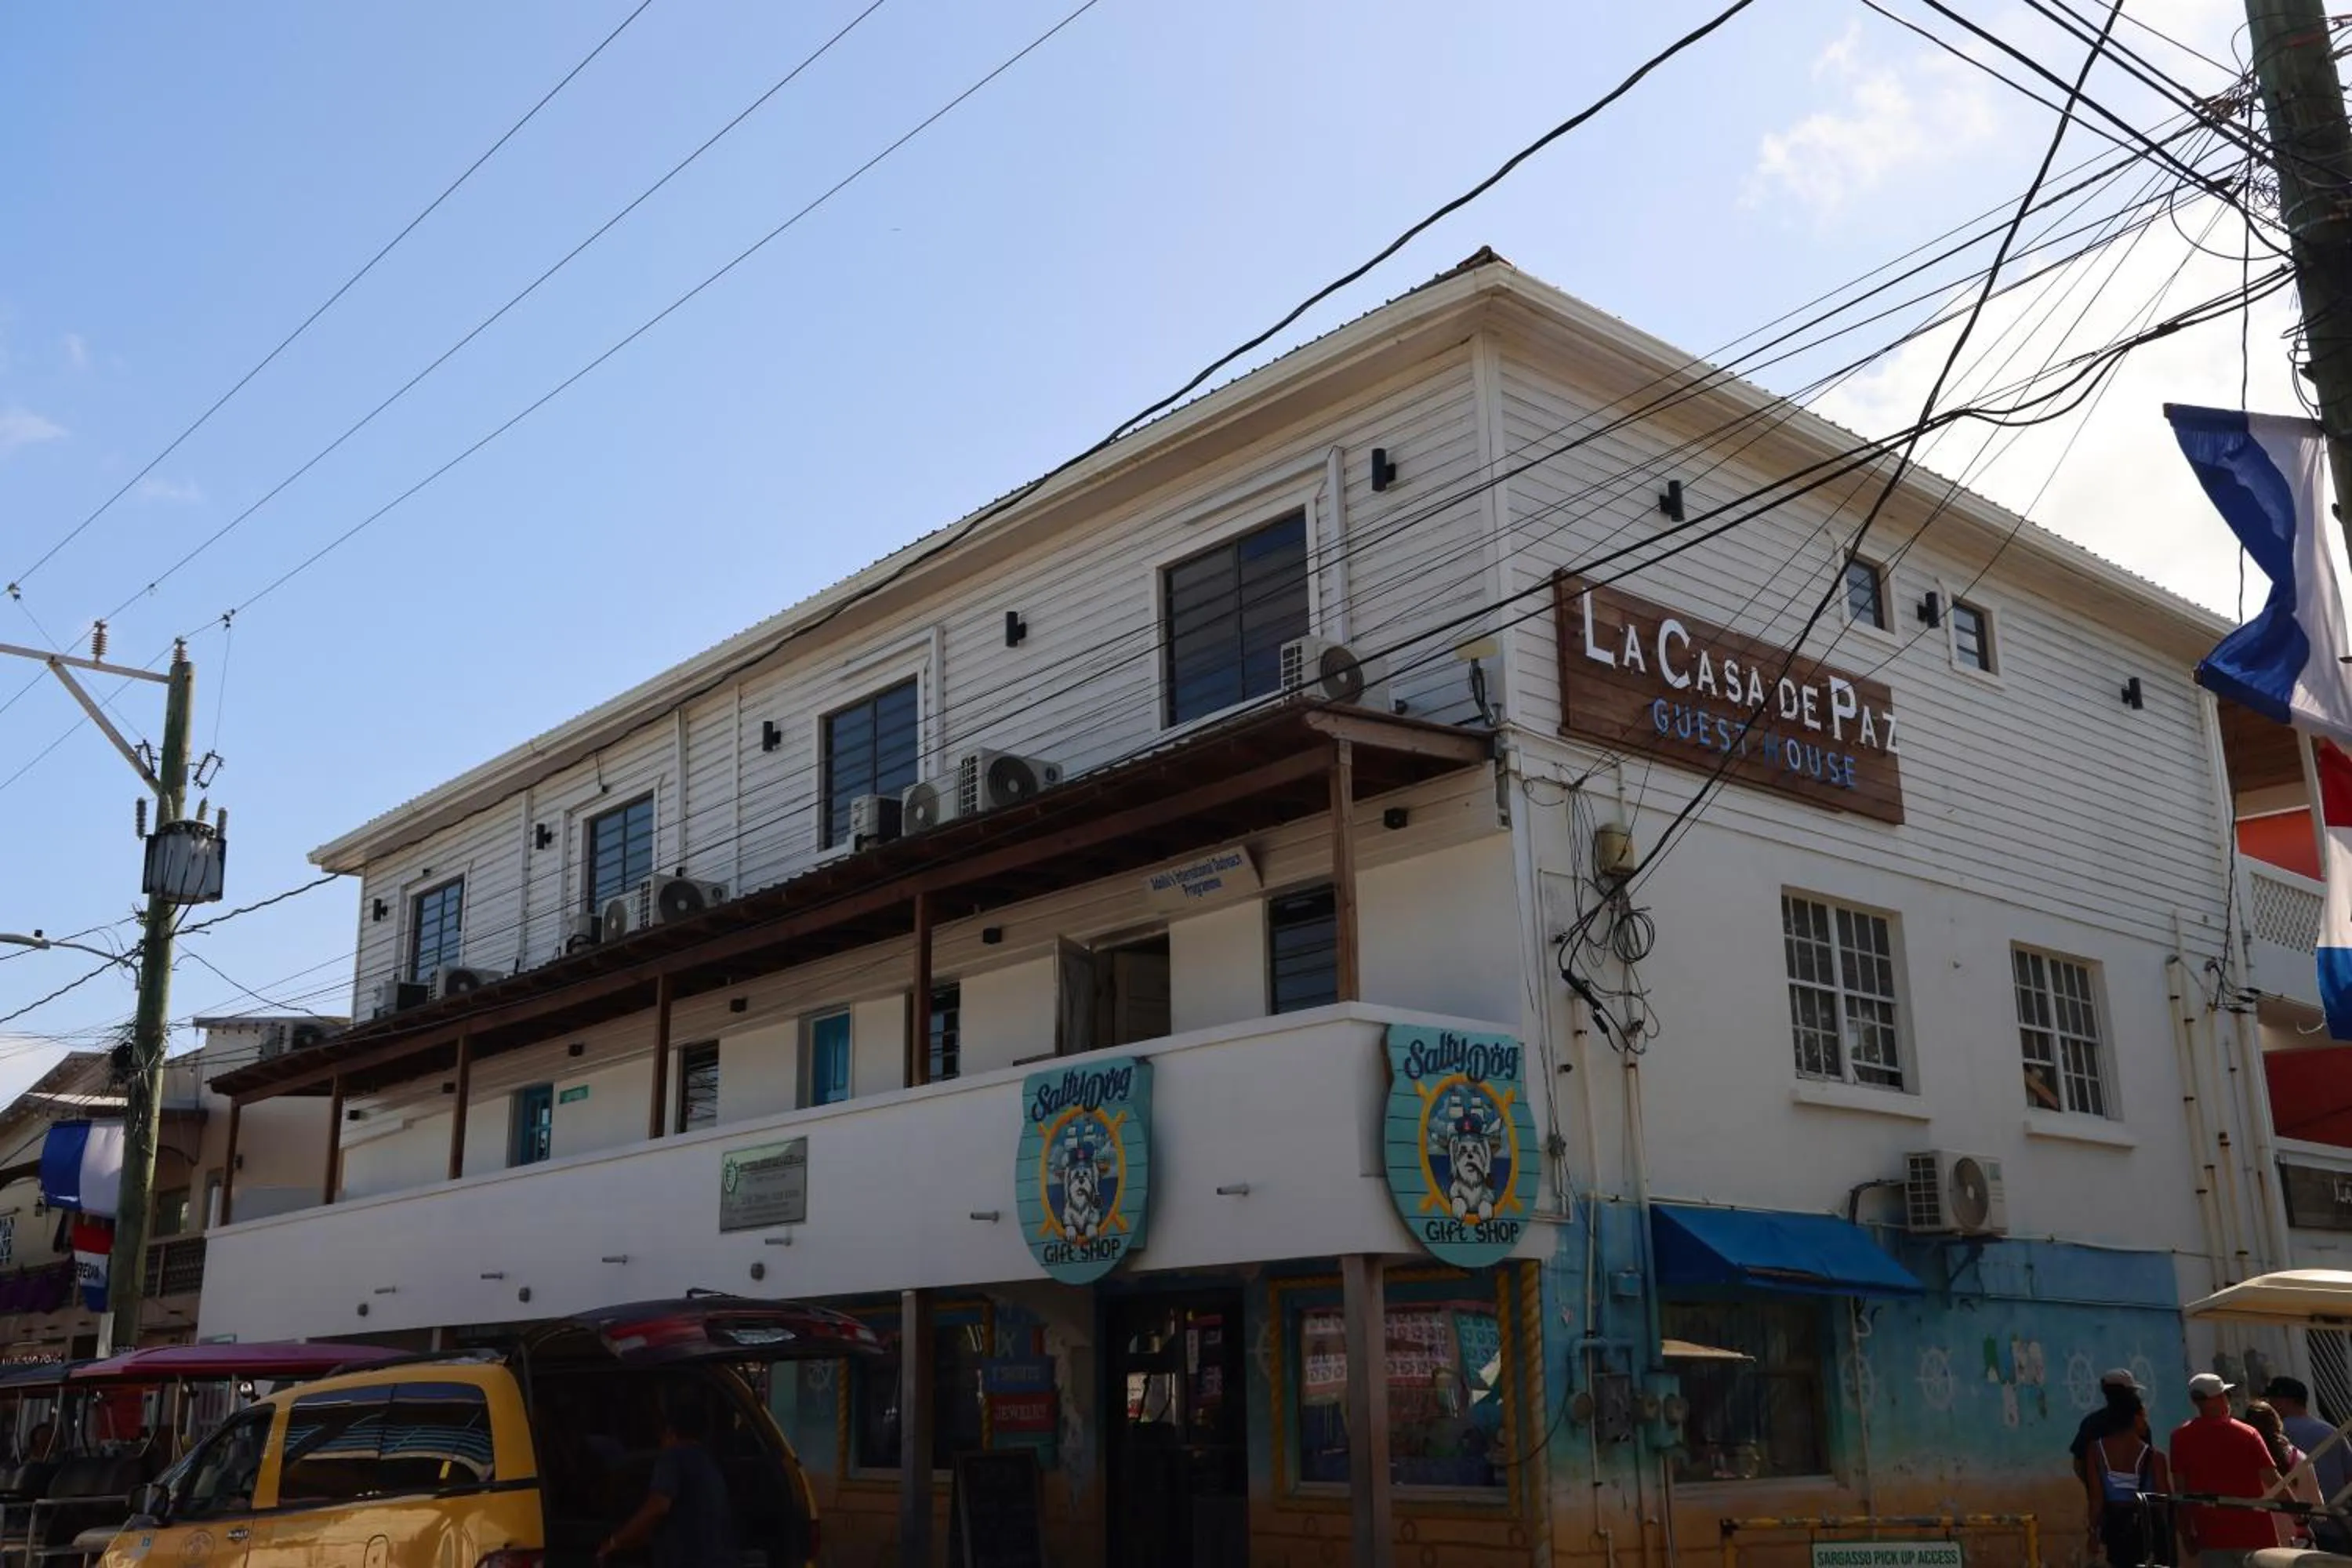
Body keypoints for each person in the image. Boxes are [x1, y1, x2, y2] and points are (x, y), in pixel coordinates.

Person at [595, 1390, 736, 1568]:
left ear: (670, 1432)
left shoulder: (673, 1458)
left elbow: (658, 1508)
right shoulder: (708, 1463)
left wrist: (615, 1541)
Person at [2172, 1373, 2283, 1568]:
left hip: (2211, 1536)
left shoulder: (2180, 1438)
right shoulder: (2247, 1434)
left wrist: (2186, 1534)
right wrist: (2301, 1518)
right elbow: (2273, 1480)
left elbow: (2181, 1493)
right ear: (2221, 1398)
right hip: (2256, 1534)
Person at [2084, 1392, 2172, 1566]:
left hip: (2117, 1530)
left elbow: (2096, 1500)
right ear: (2135, 1418)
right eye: (2143, 1416)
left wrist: (2093, 1533)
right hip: (2149, 1532)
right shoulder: (2155, 1457)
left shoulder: (2096, 1451)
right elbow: (2164, 1500)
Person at [2265, 1375, 2351, 1550]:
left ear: (2284, 1401)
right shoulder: (2331, 1432)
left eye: (2271, 1399)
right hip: (2335, 1523)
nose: (2269, 1404)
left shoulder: (2275, 1436)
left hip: (2294, 1528)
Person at [2245, 1400, 2324, 1547]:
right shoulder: (2301, 1459)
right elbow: (2318, 1509)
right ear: (2277, 1423)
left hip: (2263, 1540)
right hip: (2298, 1539)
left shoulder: (2246, 1463)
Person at [2076, 1370, 2149, 1486]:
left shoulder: (2091, 1423)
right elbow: (2149, 1465)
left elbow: (2079, 1464)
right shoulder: (2138, 1423)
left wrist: (2097, 1487)